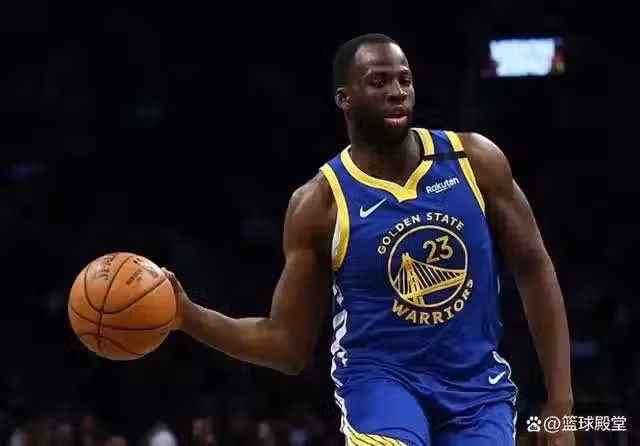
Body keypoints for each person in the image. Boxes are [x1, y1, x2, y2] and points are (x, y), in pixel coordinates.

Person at [163, 33, 574, 446]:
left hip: (476, 389)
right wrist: (189, 317)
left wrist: (561, 405)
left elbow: (534, 269)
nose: (397, 92)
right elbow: (286, 346)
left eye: (404, 80)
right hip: (380, 386)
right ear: (344, 98)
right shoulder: (321, 204)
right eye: (379, 81)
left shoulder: (474, 161)